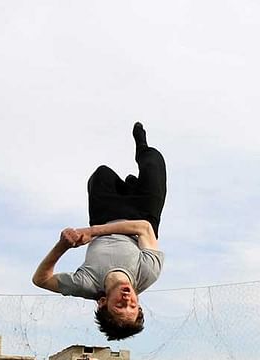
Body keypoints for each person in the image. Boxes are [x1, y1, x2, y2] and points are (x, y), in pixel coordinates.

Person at [32, 122, 167, 340]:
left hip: (105, 212)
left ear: (103, 302)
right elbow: (143, 228)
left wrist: (63, 246)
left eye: (119, 307)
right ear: (138, 304)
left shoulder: (87, 284)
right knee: (154, 164)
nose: (127, 301)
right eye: (132, 307)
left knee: (101, 174)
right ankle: (142, 148)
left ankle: (128, 185)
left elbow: (40, 279)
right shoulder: (147, 273)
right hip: (143, 213)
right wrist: (93, 232)